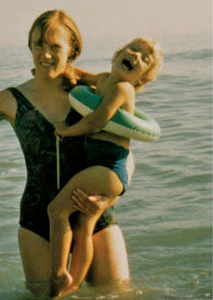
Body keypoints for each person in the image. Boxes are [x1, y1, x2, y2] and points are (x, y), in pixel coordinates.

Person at [0, 10, 132, 296]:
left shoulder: (95, 95)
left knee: (118, 293)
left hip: (95, 213)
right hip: (38, 221)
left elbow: (125, 156)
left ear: (72, 50)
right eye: (39, 44)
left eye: (55, 46)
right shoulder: (11, 99)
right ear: (30, 47)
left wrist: (107, 198)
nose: (46, 53)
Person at [48, 37, 164, 296]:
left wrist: (66, 131)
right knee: (84, 225)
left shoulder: (124, 88)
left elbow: (96, 122)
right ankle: (74, 285)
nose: (137, 56)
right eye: (134, 50)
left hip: (109, 166)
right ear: (118, 53)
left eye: (146, 59)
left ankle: (58, 275)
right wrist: (56, 68)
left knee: (56, 210)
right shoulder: (102, 80)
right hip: (105, 168)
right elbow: (78, 74)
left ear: (142, 78)